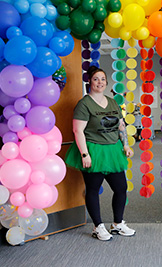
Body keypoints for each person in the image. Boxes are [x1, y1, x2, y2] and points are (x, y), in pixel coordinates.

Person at [65, 66, 135, 241]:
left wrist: (125, 145)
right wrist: (84, 155)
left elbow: (121, 126)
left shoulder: (112, 102)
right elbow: (77, 130)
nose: (100, 82)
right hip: (93, 150)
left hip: (112, 150)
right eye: (96, 79)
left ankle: (117, 224)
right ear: (90, 81)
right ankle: (98, 226)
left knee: (121, 188)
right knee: (93, 189)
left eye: (103, 79)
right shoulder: (84, 104)